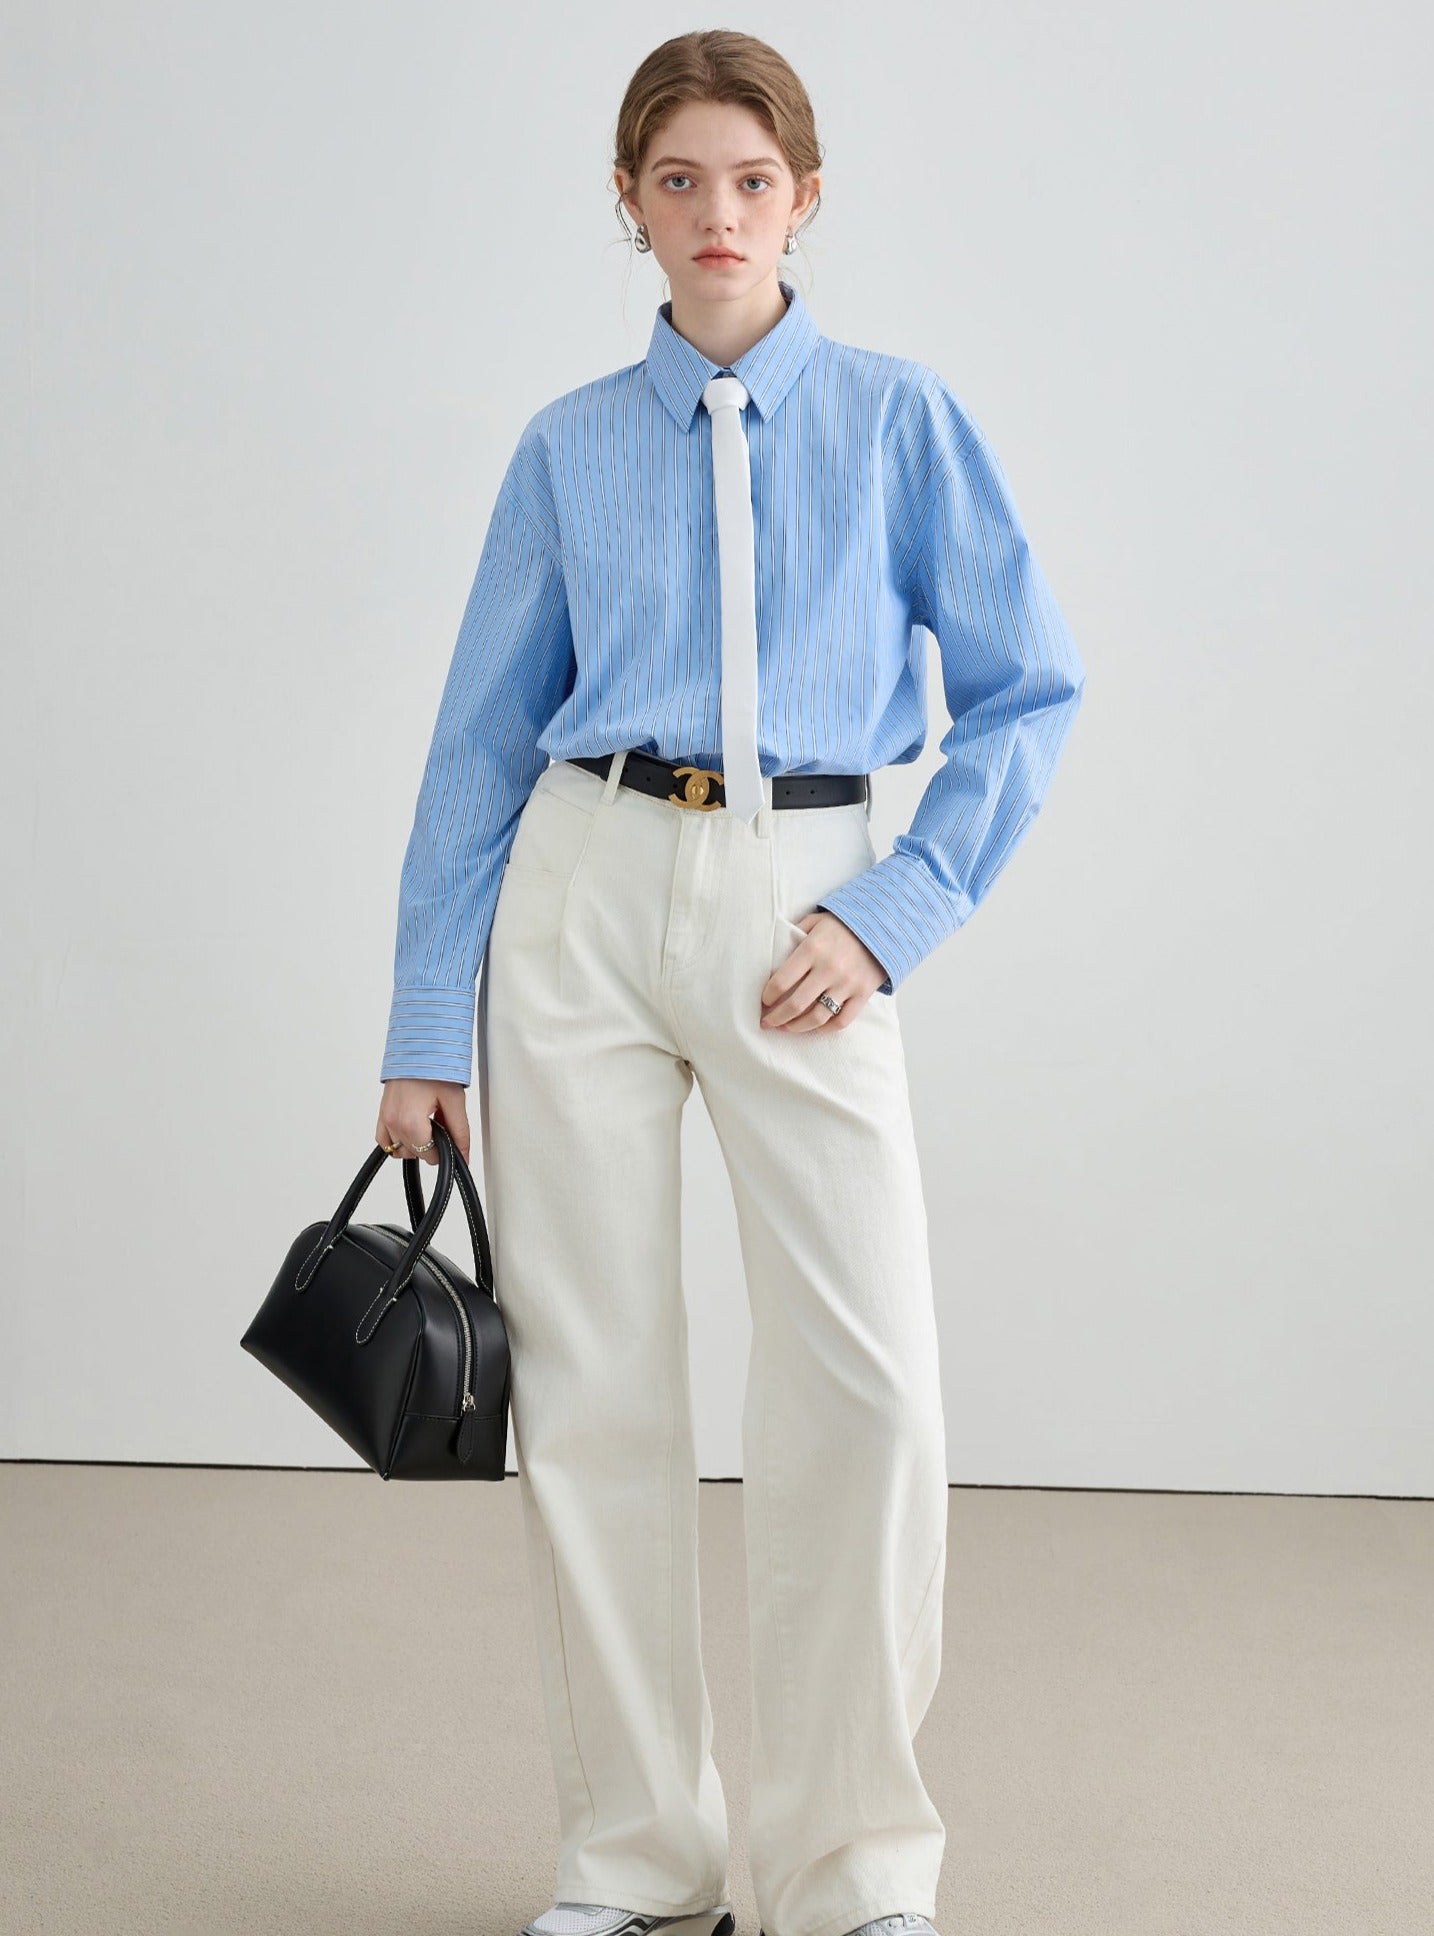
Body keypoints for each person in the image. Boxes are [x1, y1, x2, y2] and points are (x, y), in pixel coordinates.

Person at [374, 29, 1086, 1936]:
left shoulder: (900, 420)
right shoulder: (566, 445)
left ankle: (851, 1871)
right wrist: (425, 1019)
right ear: (627, 203)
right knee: (592, 1390)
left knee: (870, 1394)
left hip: (810, 910)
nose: (716, 215)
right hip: (584, 895)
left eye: (750, 182)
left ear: (806, 199)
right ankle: (637, 1856)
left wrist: (893, 913)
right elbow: (477, 743)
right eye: (677, 181)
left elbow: (1029, 688)